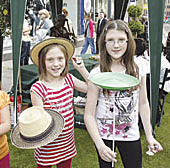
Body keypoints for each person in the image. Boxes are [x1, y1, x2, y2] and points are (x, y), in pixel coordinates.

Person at [84, 20, 163, 168]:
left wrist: (150, 136)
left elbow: (143, 103)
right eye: (111, 40)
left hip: (130, 134)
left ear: (128, 42)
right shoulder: (97, 73)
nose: (116, 45)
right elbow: (88, 114)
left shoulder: (138, 67)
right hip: (104, 136)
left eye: (121, 40)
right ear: (104, 43)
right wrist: (100, 145)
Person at [30, 37, 89, 168]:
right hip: (48, 145)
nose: (56, 64)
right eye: (50, 60)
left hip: (67, 143)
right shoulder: (38, 89)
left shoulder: (68, 79)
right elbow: (41, 121)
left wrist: (82, 69)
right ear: (42, 62)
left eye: (60, 58)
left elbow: (91, 89)